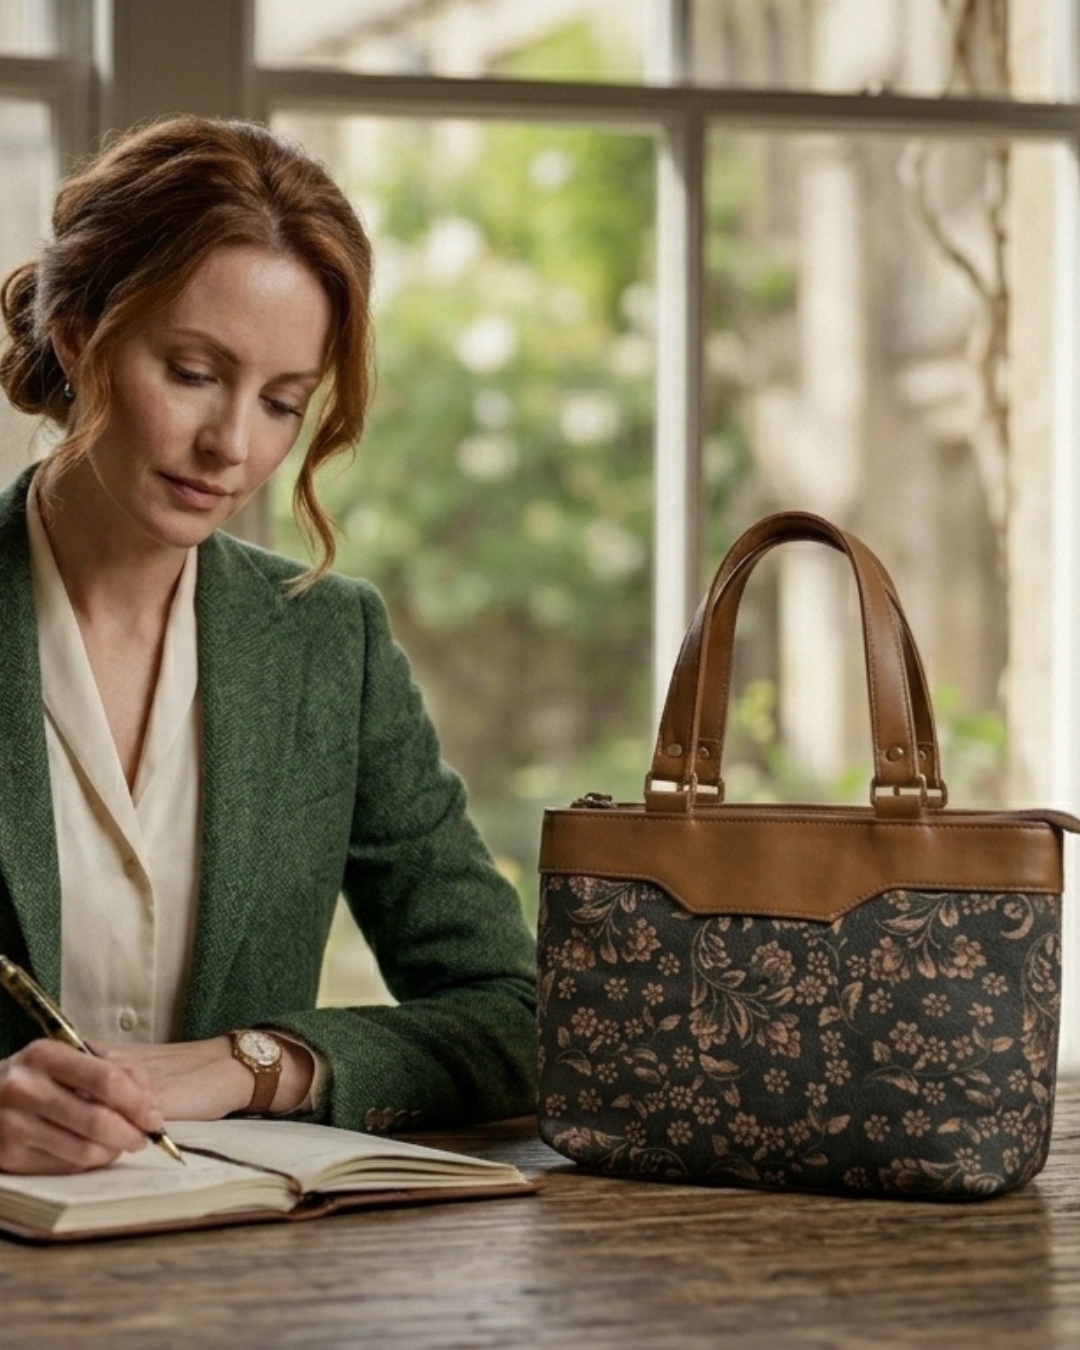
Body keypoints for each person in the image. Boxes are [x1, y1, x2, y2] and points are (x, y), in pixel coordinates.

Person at [0, 115, 537, 1174]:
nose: (234, 446)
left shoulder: (331, 644)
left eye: (284, 402)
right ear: (78, 334)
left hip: (241, 1278)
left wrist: (254, 1063)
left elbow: (514, 1015)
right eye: (193, 372)